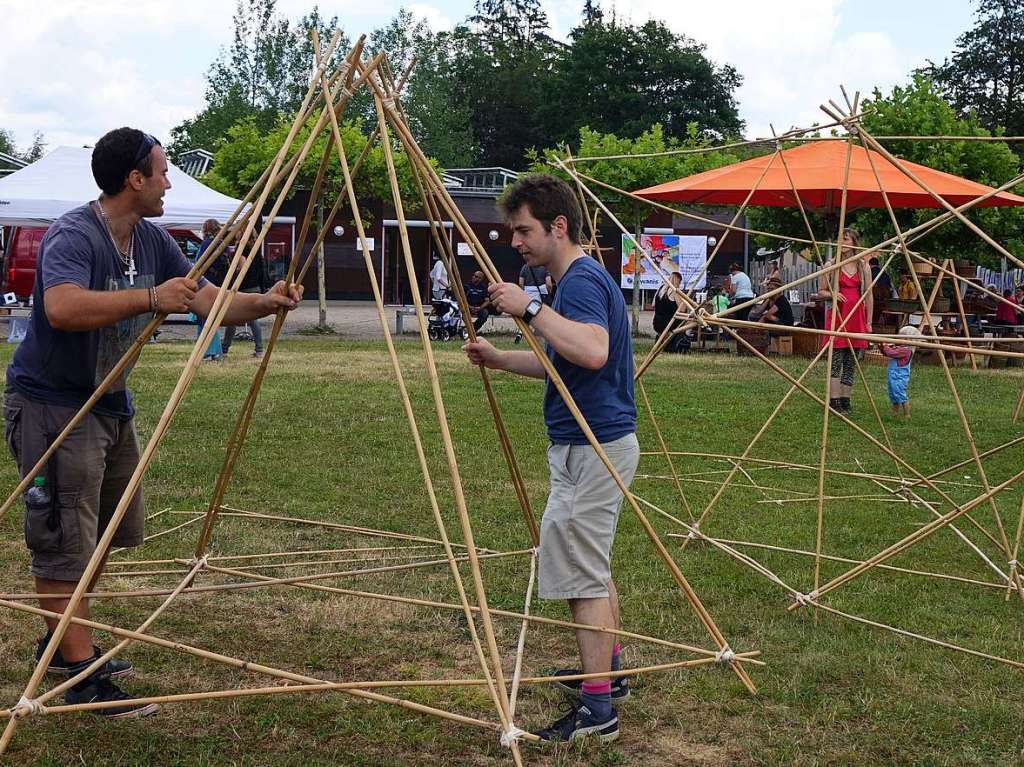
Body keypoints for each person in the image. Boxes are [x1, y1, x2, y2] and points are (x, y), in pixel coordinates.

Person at [3, 127, 303, 718]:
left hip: (109, 402)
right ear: (133, 179)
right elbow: (61, 307)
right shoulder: (73, 233)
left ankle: (63, 641)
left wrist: (267, 302)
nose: (169, 182)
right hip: (55, 407)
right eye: (162, 172)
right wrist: (148, 300)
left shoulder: (152, 239)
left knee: (100, 535)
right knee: (64, 537)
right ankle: (75, 672)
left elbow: (206, 300)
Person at [463, 175, 637, 745]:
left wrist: (530, 304)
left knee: (582, 574)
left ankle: (598, 710)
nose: (515, 241)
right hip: (587, 444)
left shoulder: (579, 281)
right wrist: (498, 358)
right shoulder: (573, 282)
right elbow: (563, 361)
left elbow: (591, 349)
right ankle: (606, 674)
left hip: (593, 446)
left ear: (558, 227)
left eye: (524, 230)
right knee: (588, 560)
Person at [815, 228, 873, 414]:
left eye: (846, 239)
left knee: (851, 361)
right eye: (840, 239)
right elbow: (820, 291)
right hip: (838, 317)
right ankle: (834, 400)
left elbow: (869, 296)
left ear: (854, 243)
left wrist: (869, 322)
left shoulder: (863, 267)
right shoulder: (831, 265)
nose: (842, 242)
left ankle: (846, 398)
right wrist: (832, 294)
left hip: (857, 317)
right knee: (836, 360)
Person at [222, 234, 267, 358]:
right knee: (253, 319)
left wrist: (233, 270)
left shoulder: (242, 252)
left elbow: (241, 272)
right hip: (256, 287)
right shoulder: (257, 252)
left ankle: (224, 348)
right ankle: (259, 349)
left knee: (232, 318)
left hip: (244, 289)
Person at [194, 218, 226, 361]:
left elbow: (199, 264)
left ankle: (208, 351)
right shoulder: (222, 244)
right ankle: (215, 351)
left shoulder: (207, 244)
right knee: (212, 318)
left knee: (205, 318)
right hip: (219, 284)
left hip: (206, 284)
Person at [881, 325, 920, 417]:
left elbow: (890, 352)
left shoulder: (906, 350)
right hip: (893, 375)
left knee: (900, 393)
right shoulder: (899, 348)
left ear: (908, 338)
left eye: (901, 335)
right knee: (893, 394)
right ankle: (895, 412)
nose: (898, 336)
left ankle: (907, 414)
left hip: (899, 376)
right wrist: (882, 347)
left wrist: (885, 346)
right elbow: (887, 353)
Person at [652, 272, 688, 353]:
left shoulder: (660, 289)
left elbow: (653, 304)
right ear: (678, 280)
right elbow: (682, 309)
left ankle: (663, 341)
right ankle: (681, 341)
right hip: (669, 324)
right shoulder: (675, 291)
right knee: (688, 320)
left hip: (657, 322)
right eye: (680, 282)